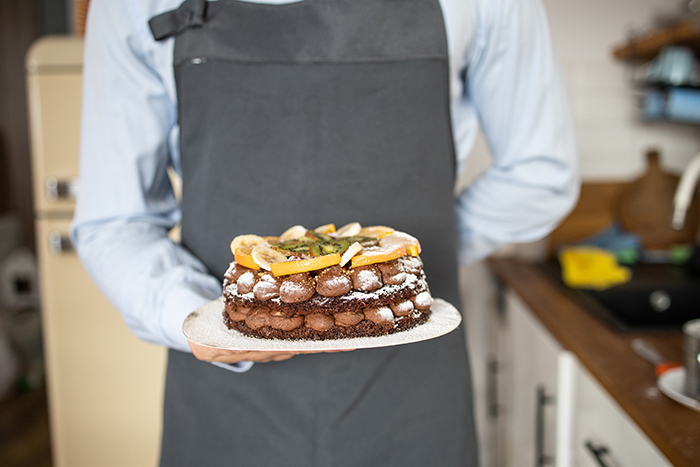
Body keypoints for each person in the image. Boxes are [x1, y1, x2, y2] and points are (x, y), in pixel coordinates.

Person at [72, 0, 579, 465]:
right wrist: (185, 309)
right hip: (225, 400)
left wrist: (389, 272)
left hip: (413, 394)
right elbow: (116, 220)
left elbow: (540, 172)